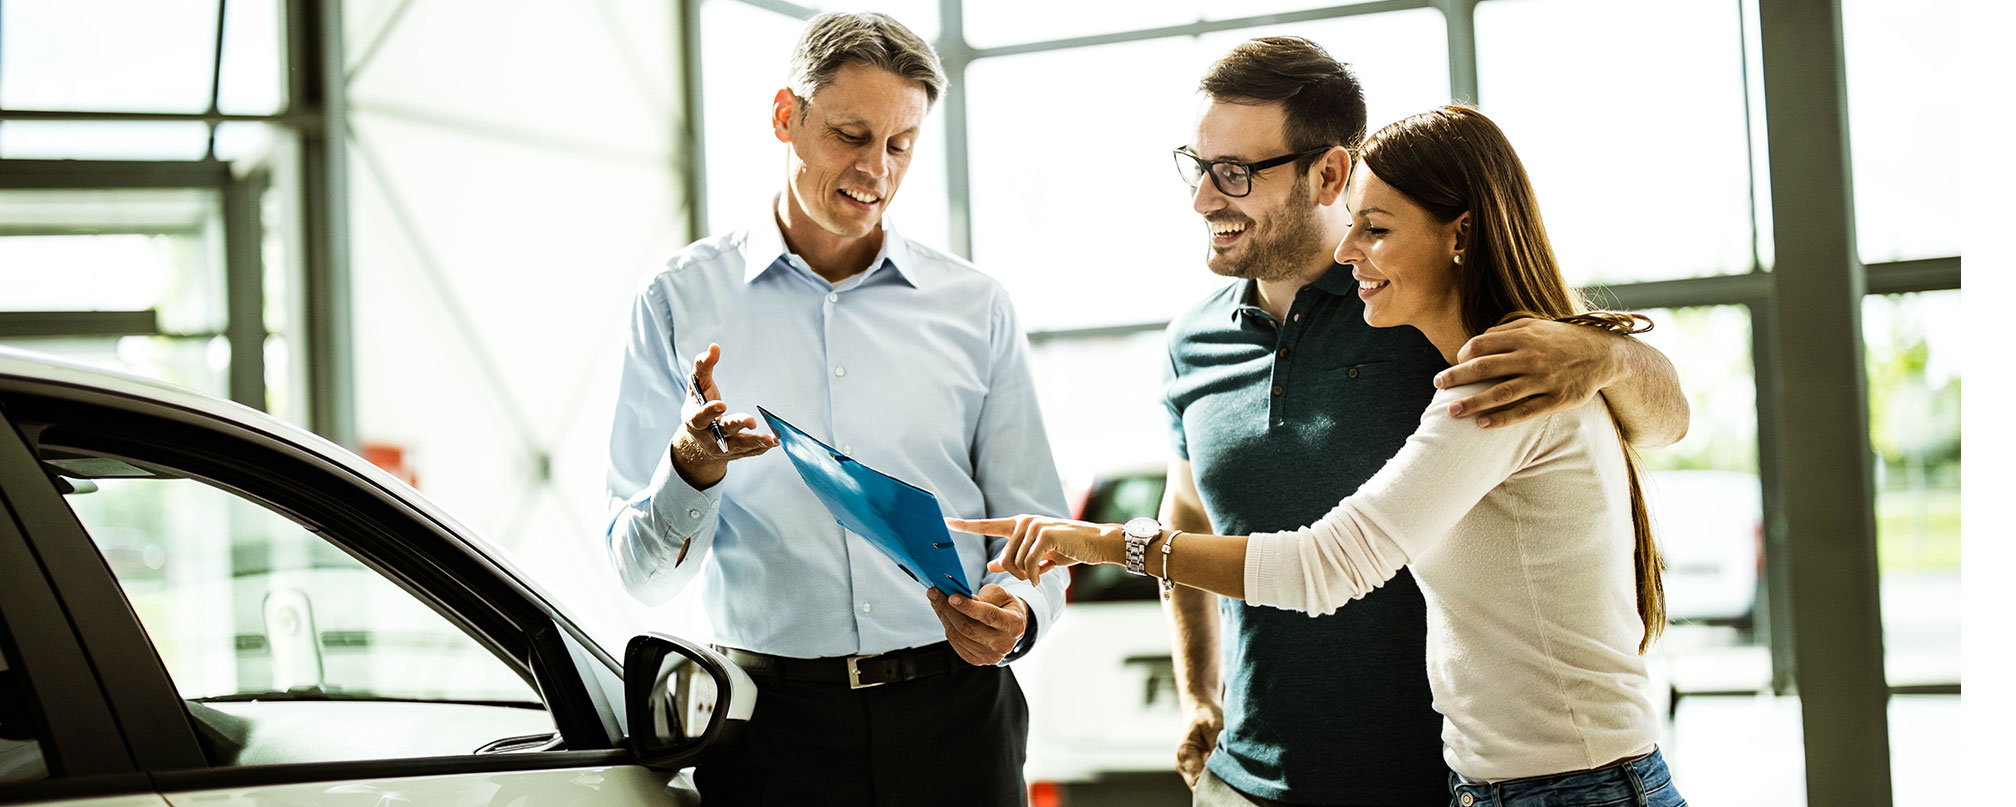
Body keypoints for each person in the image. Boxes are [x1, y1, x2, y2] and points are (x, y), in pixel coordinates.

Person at [956, 103, 1690, 807]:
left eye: (1374, 228)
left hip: (1567, 789)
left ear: (1457, 233)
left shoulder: (1500, 387)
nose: (1348, 249)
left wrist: (1099, 542)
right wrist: (1199, 694)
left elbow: (1323, 567)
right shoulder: (1485, 374)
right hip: (1511, 784)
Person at [602, 12, 1068, 806]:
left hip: (957, 720)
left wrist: (1016, 610)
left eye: (901, 143)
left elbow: (1037, 525)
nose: (876, 169)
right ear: (787, 117)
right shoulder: (679, 301)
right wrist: (690, 468)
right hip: (770, 734)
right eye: (852, 135)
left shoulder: (974, 306)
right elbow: (636, 576)